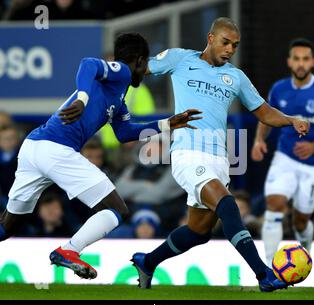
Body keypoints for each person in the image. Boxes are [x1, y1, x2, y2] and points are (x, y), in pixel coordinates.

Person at [0, 33, 200, 280]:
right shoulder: (123, 72)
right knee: (116, 209)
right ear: (139, 60)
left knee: (7, 227)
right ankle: (68, 251)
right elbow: (88, 63)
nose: (146, 71)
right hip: (55, 149)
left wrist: (167, 124)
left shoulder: (118, 99)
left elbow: (125, 133)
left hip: (33, 148)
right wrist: (82, 99)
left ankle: (68, 251)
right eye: (145, 64)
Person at [131, 17, 310, 293]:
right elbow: (142, 68)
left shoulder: (235, 77)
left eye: (235, 45)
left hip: (218, 160)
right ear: (211, 38)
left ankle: (148, 262)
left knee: (198, 232)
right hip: (187, 153)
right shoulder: (180, 59)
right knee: (227, 205)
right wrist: (111, 75)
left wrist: (290, 119)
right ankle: (263, 274)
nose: (229, 49)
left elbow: (263, 111)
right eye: (225, 42)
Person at [251, 38, 314, 265]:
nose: (301, 64)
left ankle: (305, 254)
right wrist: (258, 140)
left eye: (305, 59)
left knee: (300, 222)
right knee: (274, 206)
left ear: (313, 62)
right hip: (285, 156)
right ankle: (267, 270)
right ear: (289, 62)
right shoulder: (279, 89)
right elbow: (267, 117)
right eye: (296, 59)